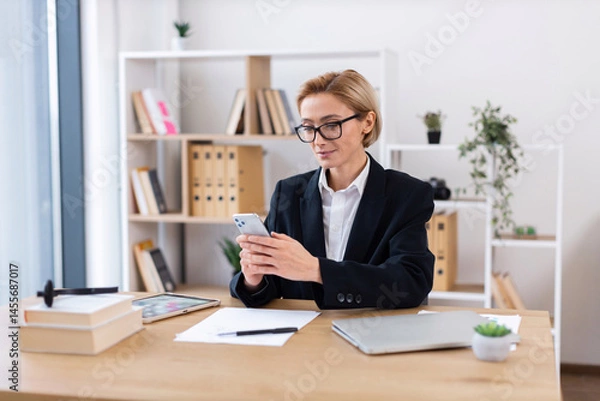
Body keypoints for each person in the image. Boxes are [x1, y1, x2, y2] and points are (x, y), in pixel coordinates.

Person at [229, 69, 434, 309]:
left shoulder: (407, 195)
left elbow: (410, 282)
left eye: (331, 125)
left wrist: (316, 270)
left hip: (373, 332)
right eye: (308, 127)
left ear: (367, 122)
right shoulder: (289, 192)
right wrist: (255, 279)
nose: (318, 140)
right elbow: (274, 285)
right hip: (306, 338)